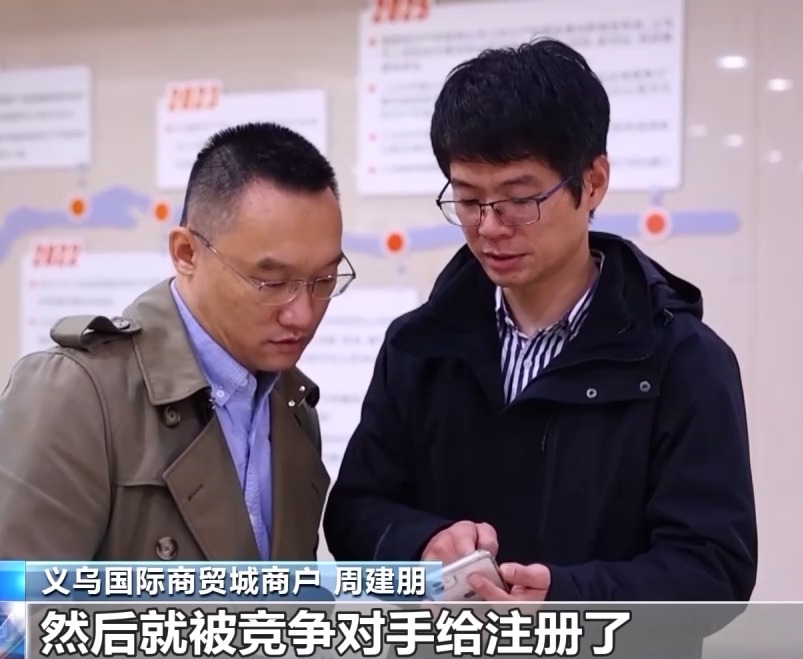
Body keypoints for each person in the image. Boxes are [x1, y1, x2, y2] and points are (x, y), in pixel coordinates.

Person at [323, 39, 757, 602]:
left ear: (593, 182)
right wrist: (423, 544)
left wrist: (567, 598)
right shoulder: (418, 345)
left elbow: (713, 570)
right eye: (468, 200)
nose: (490, 226)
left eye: (519, 199)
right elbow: (355, 512)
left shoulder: (683, 360)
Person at [0, 122, 354, 561]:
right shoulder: (76, 396)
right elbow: (5, 601)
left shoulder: (292, 406)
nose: (302, 314)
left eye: (324, 280)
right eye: (272, 282)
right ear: (186, 253)